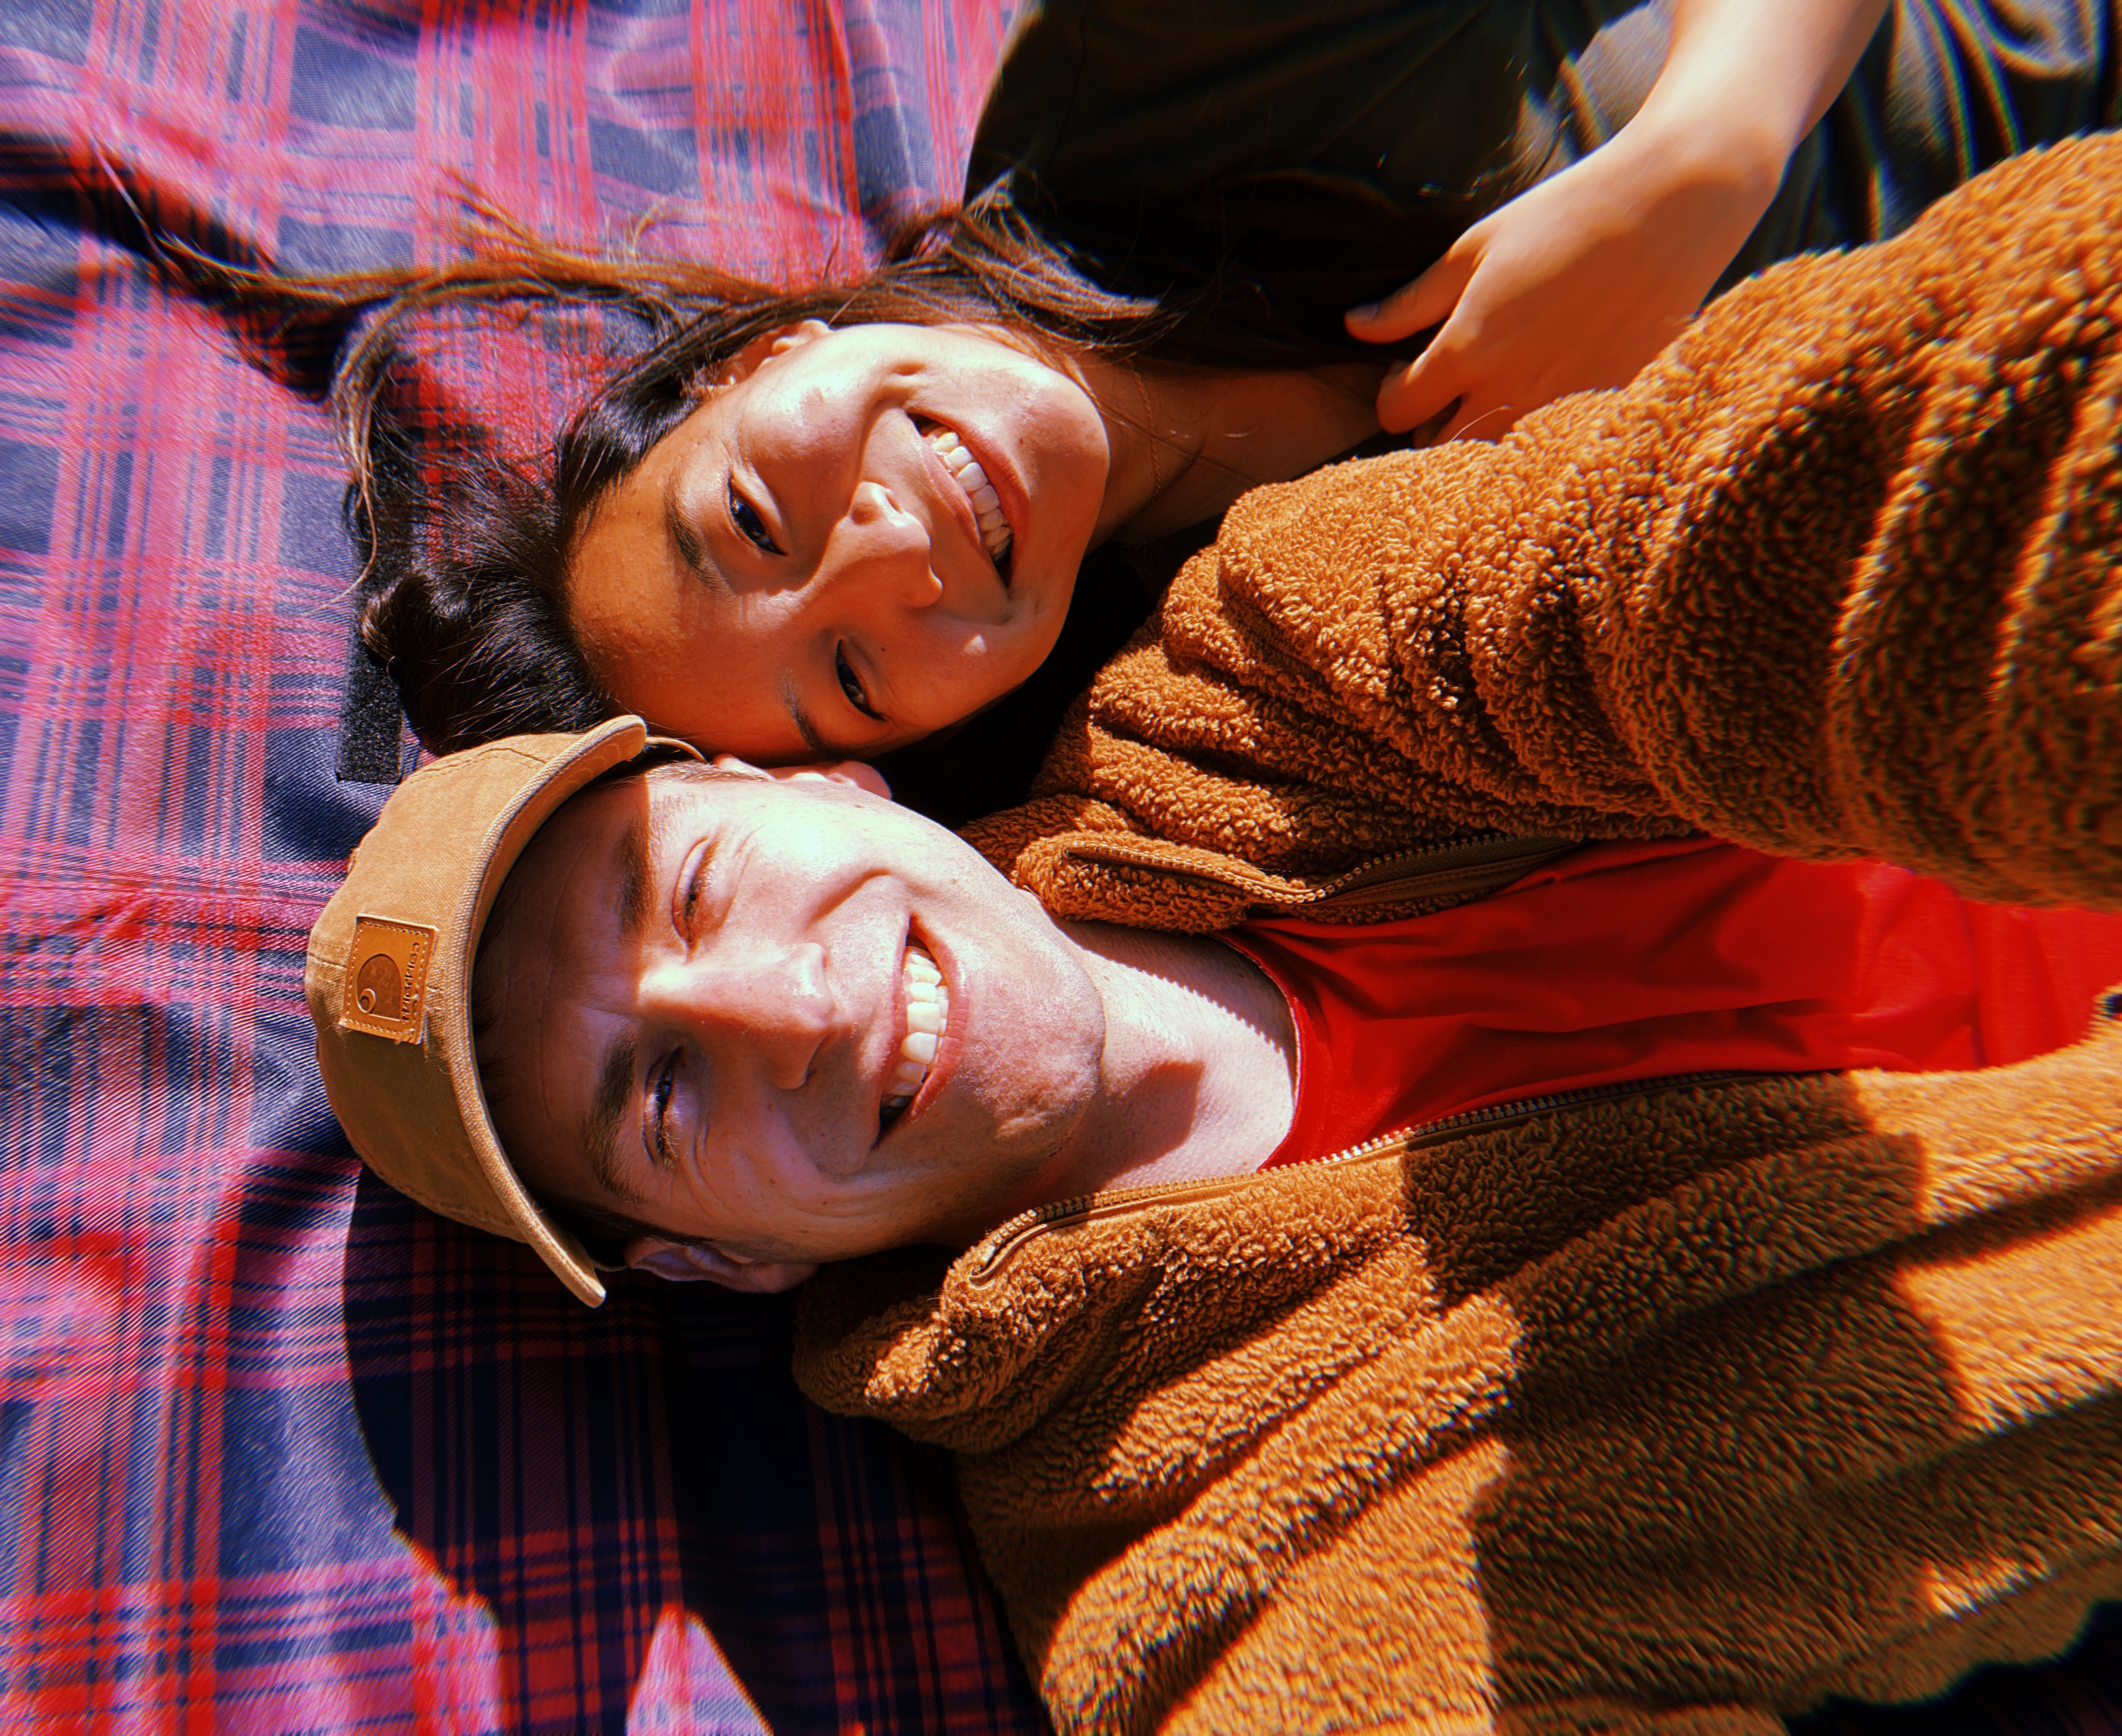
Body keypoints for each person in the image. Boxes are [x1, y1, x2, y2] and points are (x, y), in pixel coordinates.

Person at [306, 138, 2122, 1733]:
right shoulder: (1204, 1556)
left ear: (834, 787)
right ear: (724, 1266)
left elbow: (1775, 508)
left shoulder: (1259, 665)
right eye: (666, 1101)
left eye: (693, 890)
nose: (785, 1007)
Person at [258, 0, 2115, 815]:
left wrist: (1715, 141)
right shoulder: (1246, 674)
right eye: (848, 676)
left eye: (756, 517)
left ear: (750, 368)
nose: (888, 555)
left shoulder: (1170, 77)